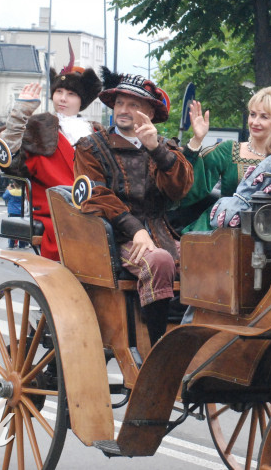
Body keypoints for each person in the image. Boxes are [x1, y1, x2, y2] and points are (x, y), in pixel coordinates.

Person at [74, 69, 193, 345]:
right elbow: (97, 196)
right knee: (160, 260)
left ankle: (196, 345)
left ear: (149, 113)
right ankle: (156, 348)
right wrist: (136, 230)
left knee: (210, 259)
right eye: (119, 103)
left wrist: (156, 150)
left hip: (160, 235)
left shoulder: (164, 148)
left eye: (133, 105)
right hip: (114, 238)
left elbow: (180, 190)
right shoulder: (90, 147)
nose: (123, 110)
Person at [0, 48, 102, 261]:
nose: (63, 98)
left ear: (82, 100)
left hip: (98, 206)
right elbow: (10, 163)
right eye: (59, 92)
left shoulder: (97, 132)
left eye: (71, 94)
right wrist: (21, 113)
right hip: (55, 209)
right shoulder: (39, 127)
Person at [176, 86, 271, 233]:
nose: (255, 122)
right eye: (252, 114)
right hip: (223, 236)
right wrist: (197, 140)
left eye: (264, 116)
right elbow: (188, 183)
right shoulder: (229, 151)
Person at [2, 182, 25, 249]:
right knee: (21, 228)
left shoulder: (10, 192)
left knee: (12, 229)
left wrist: (7, 189)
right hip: (21, 211)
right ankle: (22, 244)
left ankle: (11, 244)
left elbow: (4, 197)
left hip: (12, 212)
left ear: (14, 185)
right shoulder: (23, 192)